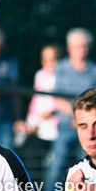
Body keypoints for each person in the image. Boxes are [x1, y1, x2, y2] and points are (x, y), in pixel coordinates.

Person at [44, 29, 96, 191]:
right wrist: (76, 118)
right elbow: (56, 97)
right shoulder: (61, 68)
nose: (82, 49)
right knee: (56, 165)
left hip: (90, 128)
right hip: (66, 126)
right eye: (78, 46)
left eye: (84, 46)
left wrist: (85, 122)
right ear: (70, 48)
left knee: (90, 166)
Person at [14, 44, 60, 174]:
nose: (48, 63)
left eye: (52, 59)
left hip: (57, 130)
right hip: (38, 129)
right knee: (31, 161)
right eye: (45, 60)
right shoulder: (39, 75)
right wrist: (31, 122)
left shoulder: (63, 77)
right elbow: (36, 100)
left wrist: (52, 111)